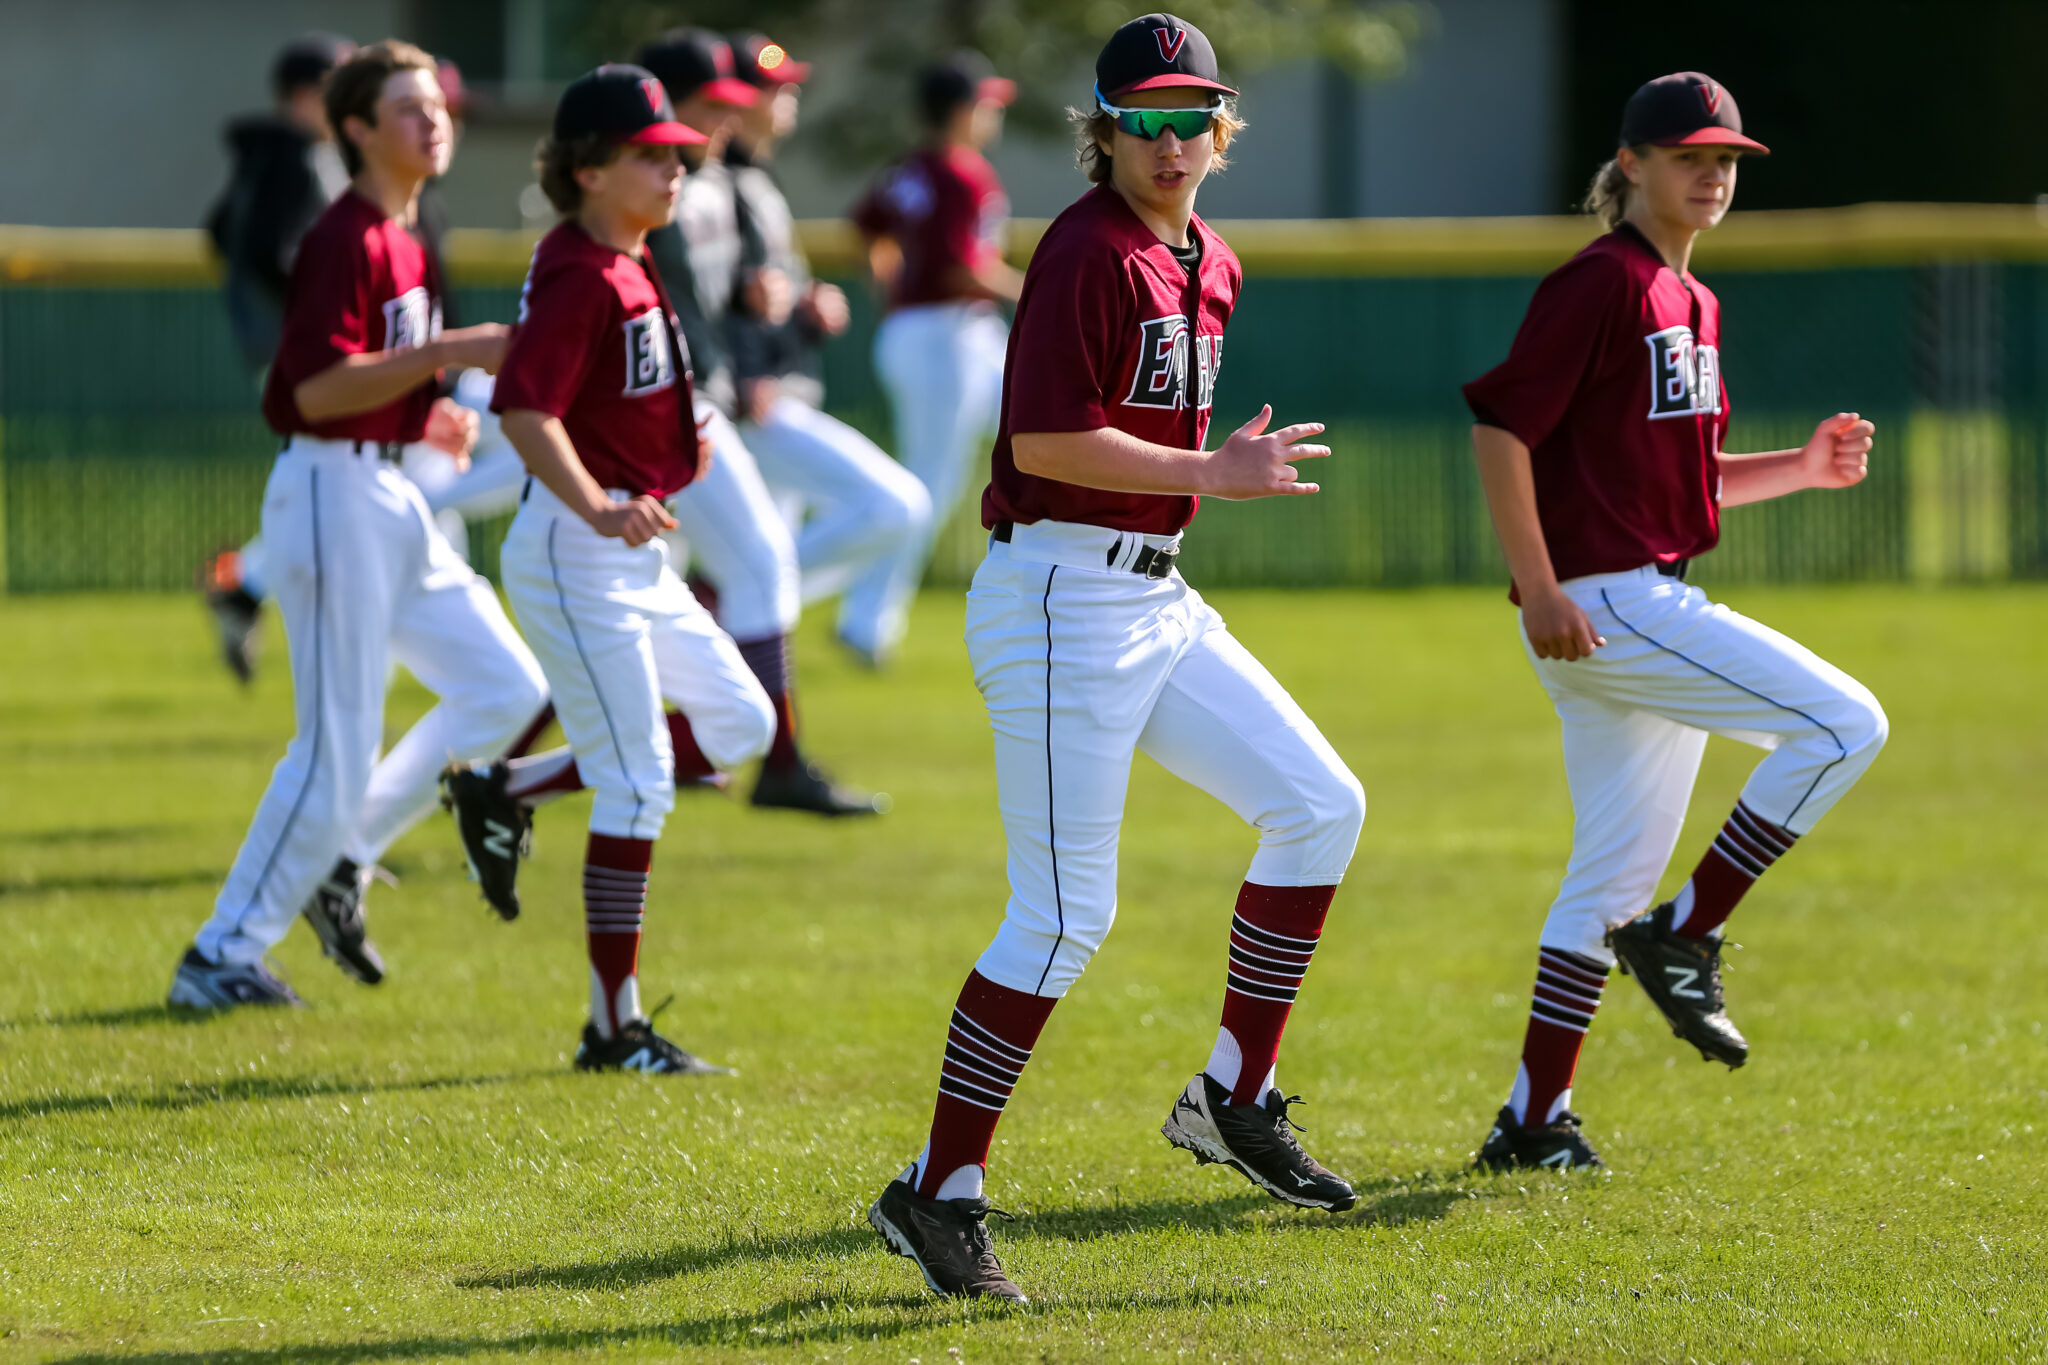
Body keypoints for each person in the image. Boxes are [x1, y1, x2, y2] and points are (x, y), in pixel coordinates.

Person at [866, 14, 1368, 1304]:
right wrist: (1211, 470)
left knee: (1318, 806)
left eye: (1190, 115)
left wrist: (1199, 482)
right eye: (1142, 118)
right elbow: (1040, 441)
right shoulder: (1085, 252)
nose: (1169, 139)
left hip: (1153, 601)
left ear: (1221, 127)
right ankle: (938, 1191)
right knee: (1059, 920)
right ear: (1101, 131)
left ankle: (1232, 1095)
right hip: (1053, 602)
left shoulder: (1211, 257)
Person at [1461, 73, 1888, 1171]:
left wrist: (1796, 469)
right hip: (1605, 604)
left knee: (1603, 880)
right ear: (1631, 165)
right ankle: (1687, 932)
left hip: (1629, 601)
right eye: (1690, 155)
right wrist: (1538, 585)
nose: (1711, 174)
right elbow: (1500, 431)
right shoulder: (1601, 283)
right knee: (1843, 726)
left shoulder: (1689, 299)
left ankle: (1532, 1121)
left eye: (1727, 160)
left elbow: (1682, 480)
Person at [168, 40, 549, 1010]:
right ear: (355, 129)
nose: (435, 122)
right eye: (408, 109)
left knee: (505, 687)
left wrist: (423, 408)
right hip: (332, 496)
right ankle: (220, 953)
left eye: (438, 107)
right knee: (332, 748)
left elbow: (367, 384)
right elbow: (312, 389)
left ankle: (341, 855)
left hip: (385, 491)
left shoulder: (405, 234)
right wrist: (447, 354)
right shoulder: (345, 235)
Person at [487, 64, 778, 1073]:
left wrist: (664, 458)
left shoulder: (624, 253)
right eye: (650, 156)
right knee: (639, 784)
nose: (673, 168)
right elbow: (525, 411)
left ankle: (509, 789)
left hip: (629, 555)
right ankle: (613, 1030)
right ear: (587, 166)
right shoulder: (579, 267)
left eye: (676, 155)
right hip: (578, 555)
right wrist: (598, 501)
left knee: (742, 722)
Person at [640, 28, 885, 816]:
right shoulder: (650, 184)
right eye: (710, 102)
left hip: (695, 402)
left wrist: (766, 314)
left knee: (656, 595)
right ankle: (527, 773)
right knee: (644, 597)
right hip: (663, 407)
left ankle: (693, 749)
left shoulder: (710, 181)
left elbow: (712, 302)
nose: (727, 116)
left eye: (731, 103)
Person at [724, 33, 934, 634]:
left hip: (782, 388)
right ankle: (728, 593)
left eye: (787, 82)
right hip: (753, 403)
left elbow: (757, 295)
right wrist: (741, 370)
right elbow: (701, 298)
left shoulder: (758, 179)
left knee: (767, 619)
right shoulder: (707, 185)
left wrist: (804, 309)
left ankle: (741, 681)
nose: (786, 93)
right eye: (770, 85)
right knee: (896, 506)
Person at [844, 50, 1022, 666]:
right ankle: (864, 620)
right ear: (961, 109)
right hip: (945, 334)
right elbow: (961, 269)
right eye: (987, 100)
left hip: (943, 332)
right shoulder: (959, 174)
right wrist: (1042, 292)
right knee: (926, 487)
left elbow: (870, 226)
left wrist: (888, 286)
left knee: (1045, 427)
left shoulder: (911, 168)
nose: (994, 110)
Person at [201, 31, 354, 680]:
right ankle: (246, 583)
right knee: (339, 480)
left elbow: (218, 231)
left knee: (336, 481)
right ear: (307, 94)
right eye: (344, 85)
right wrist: (317, 310)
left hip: (280, 345)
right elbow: (269, 249)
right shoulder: (297, 158)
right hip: (304, 352)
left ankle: (245, 584)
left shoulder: (275, 155)